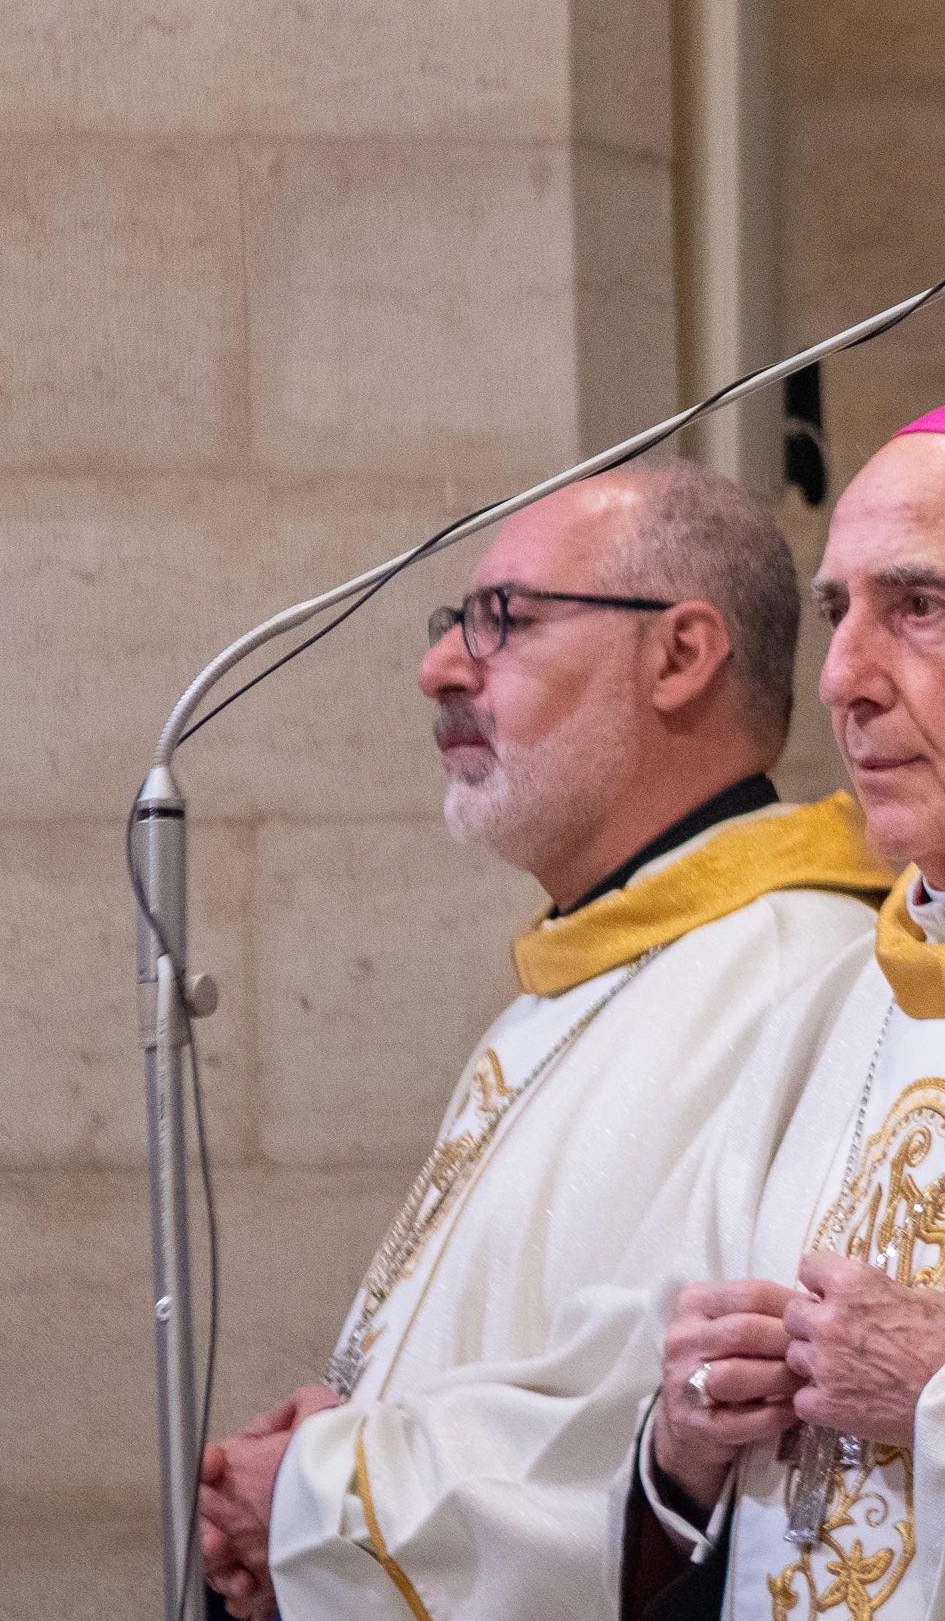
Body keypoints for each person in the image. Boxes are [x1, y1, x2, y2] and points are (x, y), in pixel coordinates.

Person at [194, 462, 889, 1621]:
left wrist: (322, 1502)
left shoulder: (796, 974)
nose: (441, 666)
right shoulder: (577, 977)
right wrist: (328, 1468)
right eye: (455, 623)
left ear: (680, 655)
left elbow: (668, 1415)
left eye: (502, 621)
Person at [627, 400, 945, 1621]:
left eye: (921, 607)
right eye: (835, 614)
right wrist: (684, 1445)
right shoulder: (816, 1015)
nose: (845, 682)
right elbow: (659, 1529)